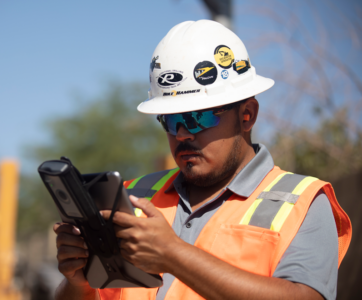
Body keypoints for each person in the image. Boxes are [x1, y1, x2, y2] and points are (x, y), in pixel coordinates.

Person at [53, 20, 352, 300]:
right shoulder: (134, 198)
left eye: (198, 118)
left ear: (246, 115)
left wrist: (173, 255)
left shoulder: (302, 204)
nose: (182, 134)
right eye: (170, 121)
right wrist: (78, 283)